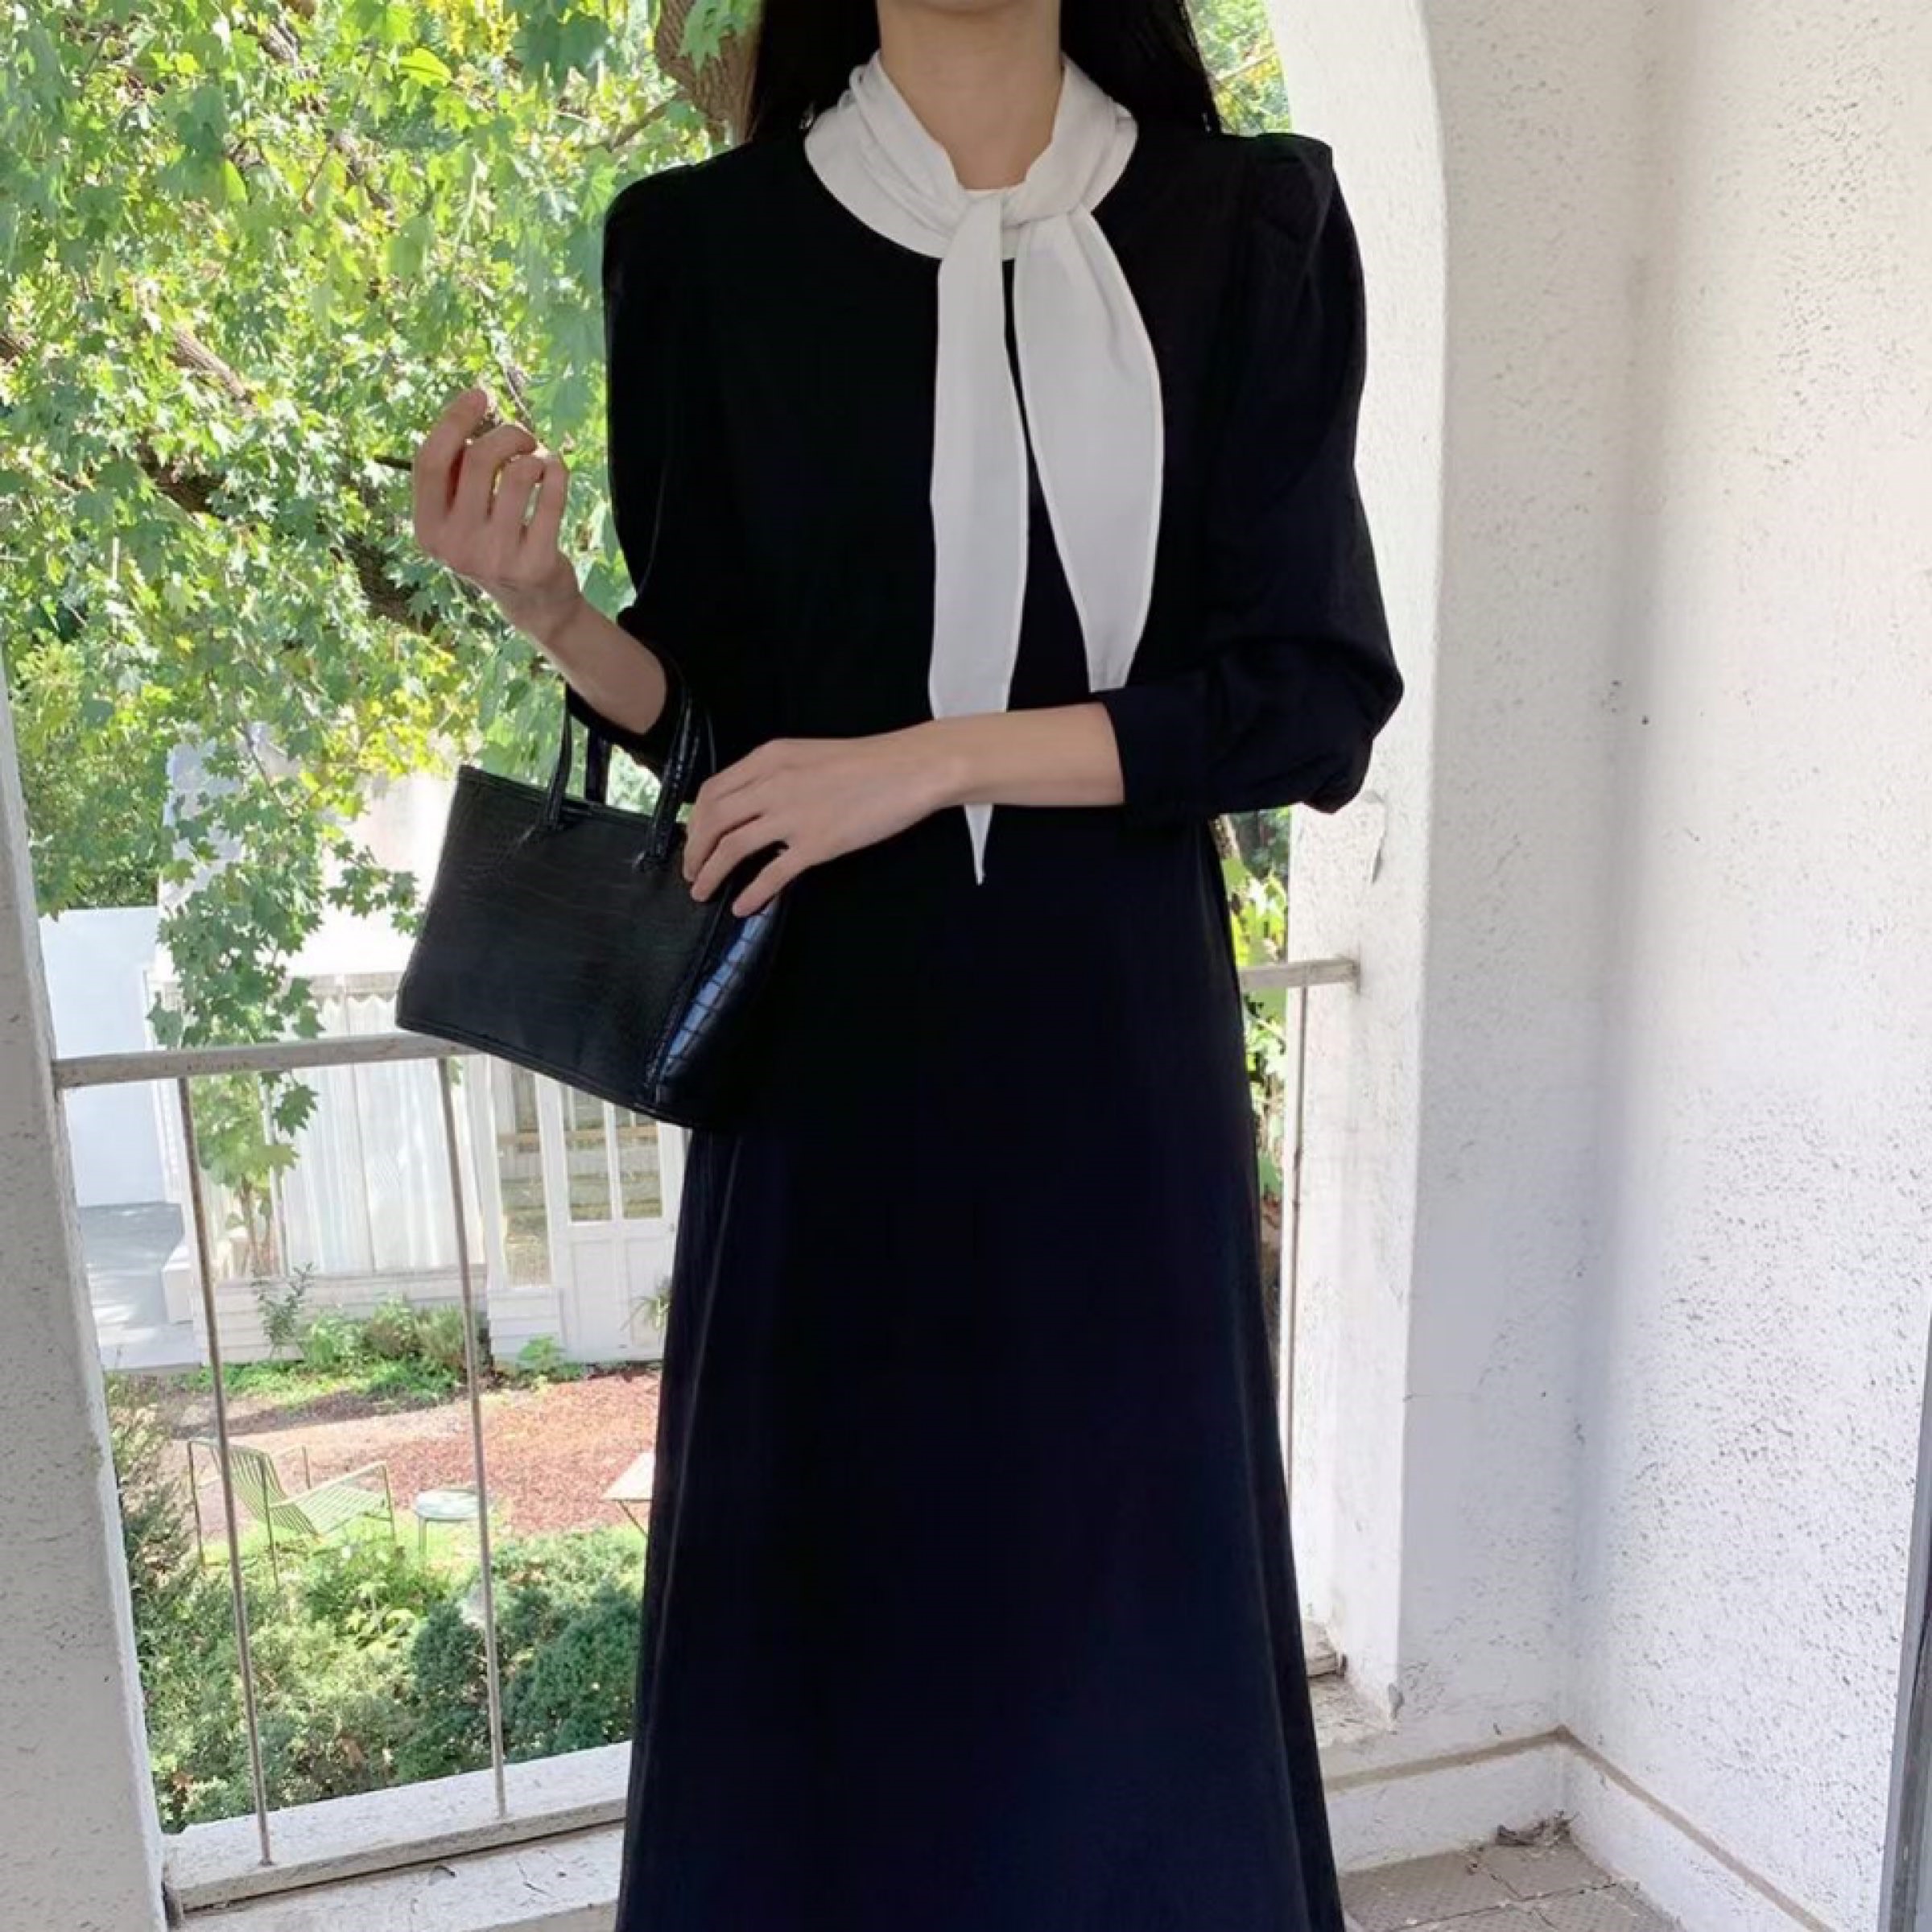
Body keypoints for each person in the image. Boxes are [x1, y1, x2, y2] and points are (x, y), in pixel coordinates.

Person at [411, 1, 1403, 1924]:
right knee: (832, 1644)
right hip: (830, 1077)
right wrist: (549, 611)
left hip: (1116, 1063)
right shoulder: (702, 250)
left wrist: (938, 757)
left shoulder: (1252, 228)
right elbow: (726, 734)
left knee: (1127, 1629)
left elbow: (1307, 703)